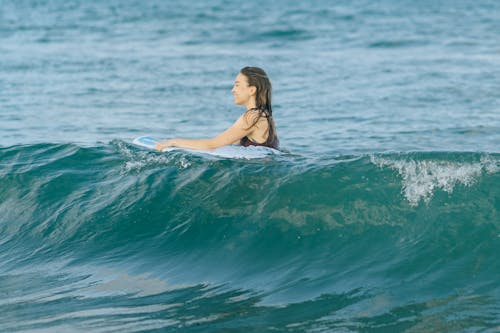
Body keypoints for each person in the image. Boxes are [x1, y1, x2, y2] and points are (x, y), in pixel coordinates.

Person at [155, 67, 279, 151]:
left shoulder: (252, 117)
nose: (233, 90)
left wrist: (174, 142)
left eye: (237, 85)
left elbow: (212, 144)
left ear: (252, 90)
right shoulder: (265, 115)